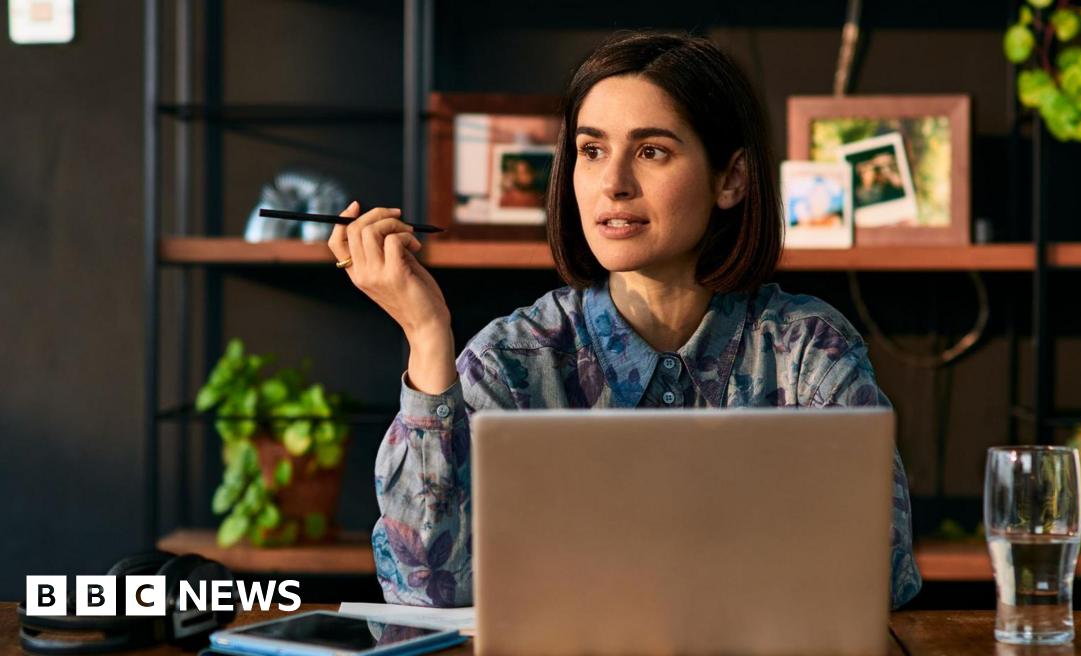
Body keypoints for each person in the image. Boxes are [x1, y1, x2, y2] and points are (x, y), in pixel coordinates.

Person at [328, 31, 921, 610]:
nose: (612, 184)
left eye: (651, 151)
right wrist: (426, 337)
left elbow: (878, 572)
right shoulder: (512, 360)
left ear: (731, 179)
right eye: (592, 151)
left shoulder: (807, 349)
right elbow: (426, 587)